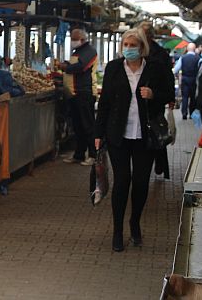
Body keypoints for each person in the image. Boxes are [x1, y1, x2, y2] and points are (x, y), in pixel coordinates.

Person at [94, 28, 174, 252]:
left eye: (132, 45)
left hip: (144, 135)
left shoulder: (155, 69)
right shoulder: (113, 68)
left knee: (140, 182)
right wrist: (98, 135)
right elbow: (105, 102)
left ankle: (135, 222)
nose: (128, 49)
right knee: (122, 180)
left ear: (142, 48)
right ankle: (118, 231)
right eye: (125, 45)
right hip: (118, 133)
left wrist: (153, 95)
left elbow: (169, 93)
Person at [138, 21, 174, 179]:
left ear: (150, 36)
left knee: (155, 130)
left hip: (155, 101)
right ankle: (153, 159)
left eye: (143, 35)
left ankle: (158, 160)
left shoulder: (160, 54)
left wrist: (169, 97)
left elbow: (168, 78)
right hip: (139, 101)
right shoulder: (135, 50)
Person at [61, 28, 98, 165]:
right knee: (77, 126)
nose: (72, 41)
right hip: (74, 94)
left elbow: (81, 67)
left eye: (74, 39)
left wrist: (65, 67)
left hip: (84, 93)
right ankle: (79, 154)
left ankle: (94, 155)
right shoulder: (77, 52)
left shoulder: (90, 51)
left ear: (82, 39)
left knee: (88, 126)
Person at [173, 42, 199, 120]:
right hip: (194, 79)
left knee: (185, 97)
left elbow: (176, 69)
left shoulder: (183, 58)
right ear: (194, 49)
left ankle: (184, 113)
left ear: (187, 49)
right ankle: (191, 114)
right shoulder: (198, 58)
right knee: (193, 98)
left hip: (185, 79)